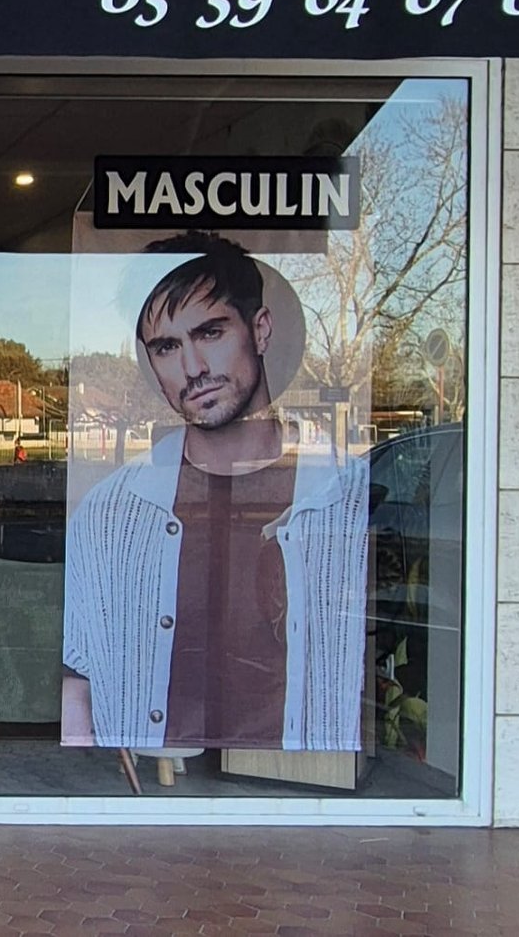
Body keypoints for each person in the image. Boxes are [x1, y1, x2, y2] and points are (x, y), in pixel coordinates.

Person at [61, 232, 368, 752]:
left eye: (210, 332)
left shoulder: (348, 495)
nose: (193, 368)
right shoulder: (109, 512)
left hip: (311, 794)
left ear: (260, 329)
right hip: (152, 789)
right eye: (167, 347)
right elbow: (78, 684)